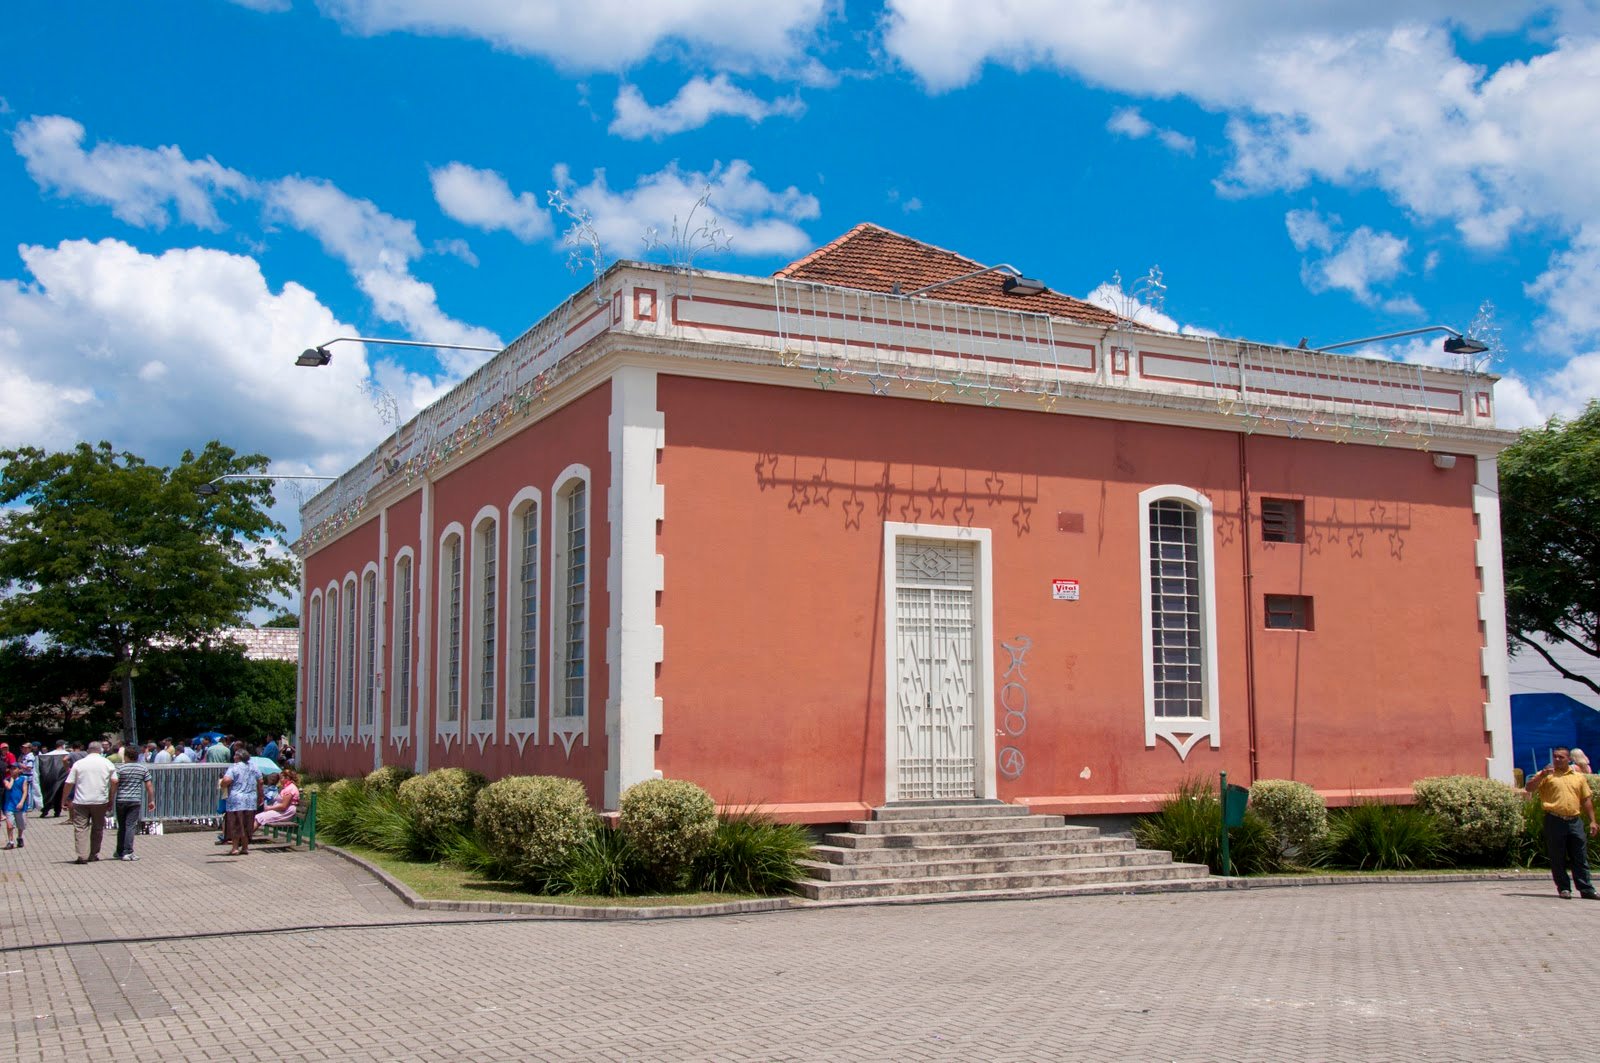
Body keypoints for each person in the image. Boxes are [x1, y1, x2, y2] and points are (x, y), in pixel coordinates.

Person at [1527, 746, 1600, 900]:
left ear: (1569, 759)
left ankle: (1586, 889)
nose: (1557, 760)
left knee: (1580, 855)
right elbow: (1529, 788)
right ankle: (1564, 888)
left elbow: (1586, 799)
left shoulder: (1578, 777)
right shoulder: (1547, 776)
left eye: (1561, 757)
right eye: (1555, 757)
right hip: (1554, 819)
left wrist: (1593, 821)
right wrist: (1540, 775)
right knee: (1557, 856)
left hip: (1574, 821)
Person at [63, 741, 116, 864]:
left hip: (81, 801)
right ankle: (93, 854)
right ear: (101, 750)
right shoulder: (107, 763)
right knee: (98, 828)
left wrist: (64, 799)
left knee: (80, 828)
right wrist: (111, 798)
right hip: (100, 800)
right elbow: (114, 781)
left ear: (88, 750)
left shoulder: (79, 764)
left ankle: (82, 855)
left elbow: (69, 783)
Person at [110, 752, 156, 861]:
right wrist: (151, 800)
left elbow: (115, 784)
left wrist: (110, 798)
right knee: (130, 825)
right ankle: (128, 852)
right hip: (135, 800)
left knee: (122, 826)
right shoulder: (143, 769)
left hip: (121, 800)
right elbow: (149, 785)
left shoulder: (120, 769)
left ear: (126, 756)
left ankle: (119, 851)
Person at [219, 750, 263, 856]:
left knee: (236, 823)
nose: (234, 757)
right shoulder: (253, 767)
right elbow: (261, 781)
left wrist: (222, 784)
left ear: (239, 757)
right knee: (247, 823)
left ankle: (234, 848)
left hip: (236, 800)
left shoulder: (234, 767)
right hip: (250, 800)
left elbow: (226, 780)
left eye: (235, 755)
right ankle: (245, 847)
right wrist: (260, 794)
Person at [37, 741, 70, 817]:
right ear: (63, 745)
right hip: (62, 777)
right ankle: (57, 811)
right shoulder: (66, 755)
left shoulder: (46, 756)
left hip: (49, 777)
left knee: (50, 794)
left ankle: (46, 809)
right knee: (59, 794)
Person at [2, 763, 30, 849]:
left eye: (14, 768)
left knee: (21, 824)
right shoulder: (6, 780)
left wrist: (21, 802)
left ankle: (20, 837)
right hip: (9, 805)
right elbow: (9, 787)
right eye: (11, 769)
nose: (12, 770)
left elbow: (25, 791)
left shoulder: (23, 779)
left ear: (18, 770)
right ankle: (10, 841)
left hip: (20, 805)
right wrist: (12, 779)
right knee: (10, 825)